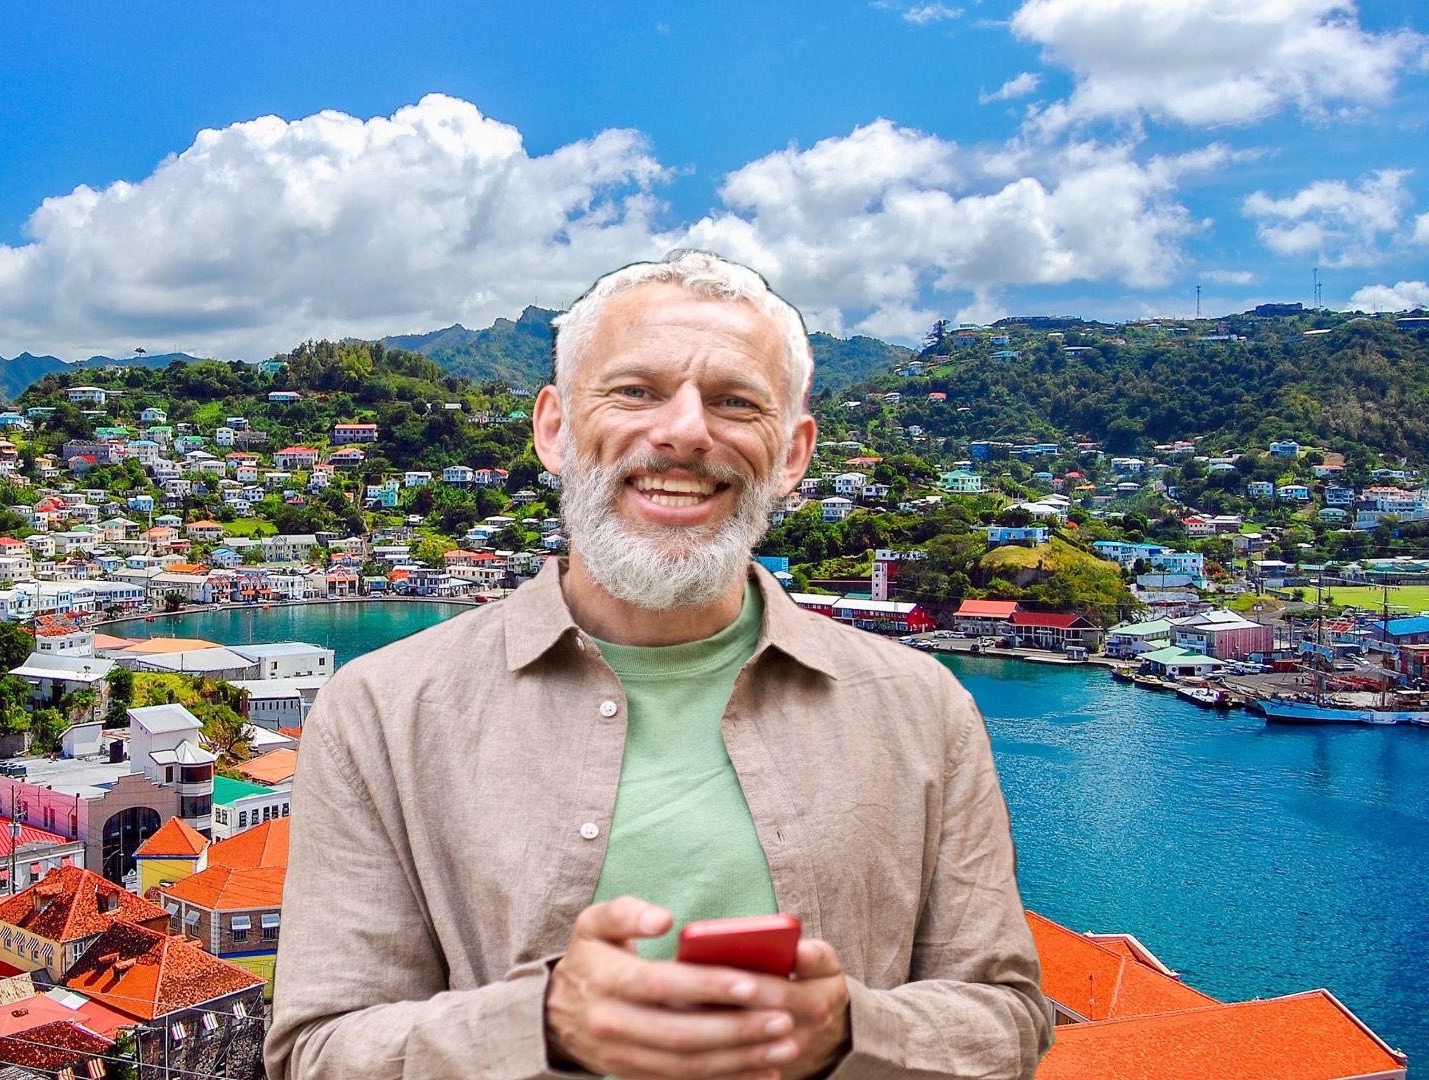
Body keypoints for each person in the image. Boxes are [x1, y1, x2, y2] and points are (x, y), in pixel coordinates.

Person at [266, 250, 1054, 1079]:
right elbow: (320, 1051)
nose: (683, 431)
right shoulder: (381, 711)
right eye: (635, 391)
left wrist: (850, 1030)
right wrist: (536, 1026)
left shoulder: (923, 710)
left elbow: (1005, 1020)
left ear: (792, 452)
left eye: (735, 401)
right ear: (555, 429)